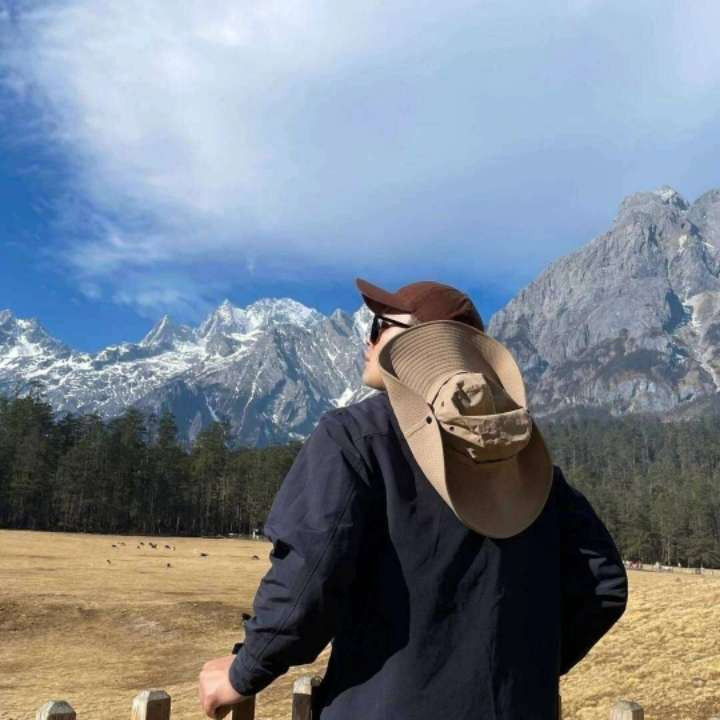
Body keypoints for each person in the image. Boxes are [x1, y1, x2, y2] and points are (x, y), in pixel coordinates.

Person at [198, 278, 629, 720]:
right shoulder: (528, 463)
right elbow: (604, 586)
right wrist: (521, 671)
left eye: (378, 326)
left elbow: (306, 580)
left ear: (422, 344)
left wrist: (242, 673)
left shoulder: (356, 437)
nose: (368, 340)